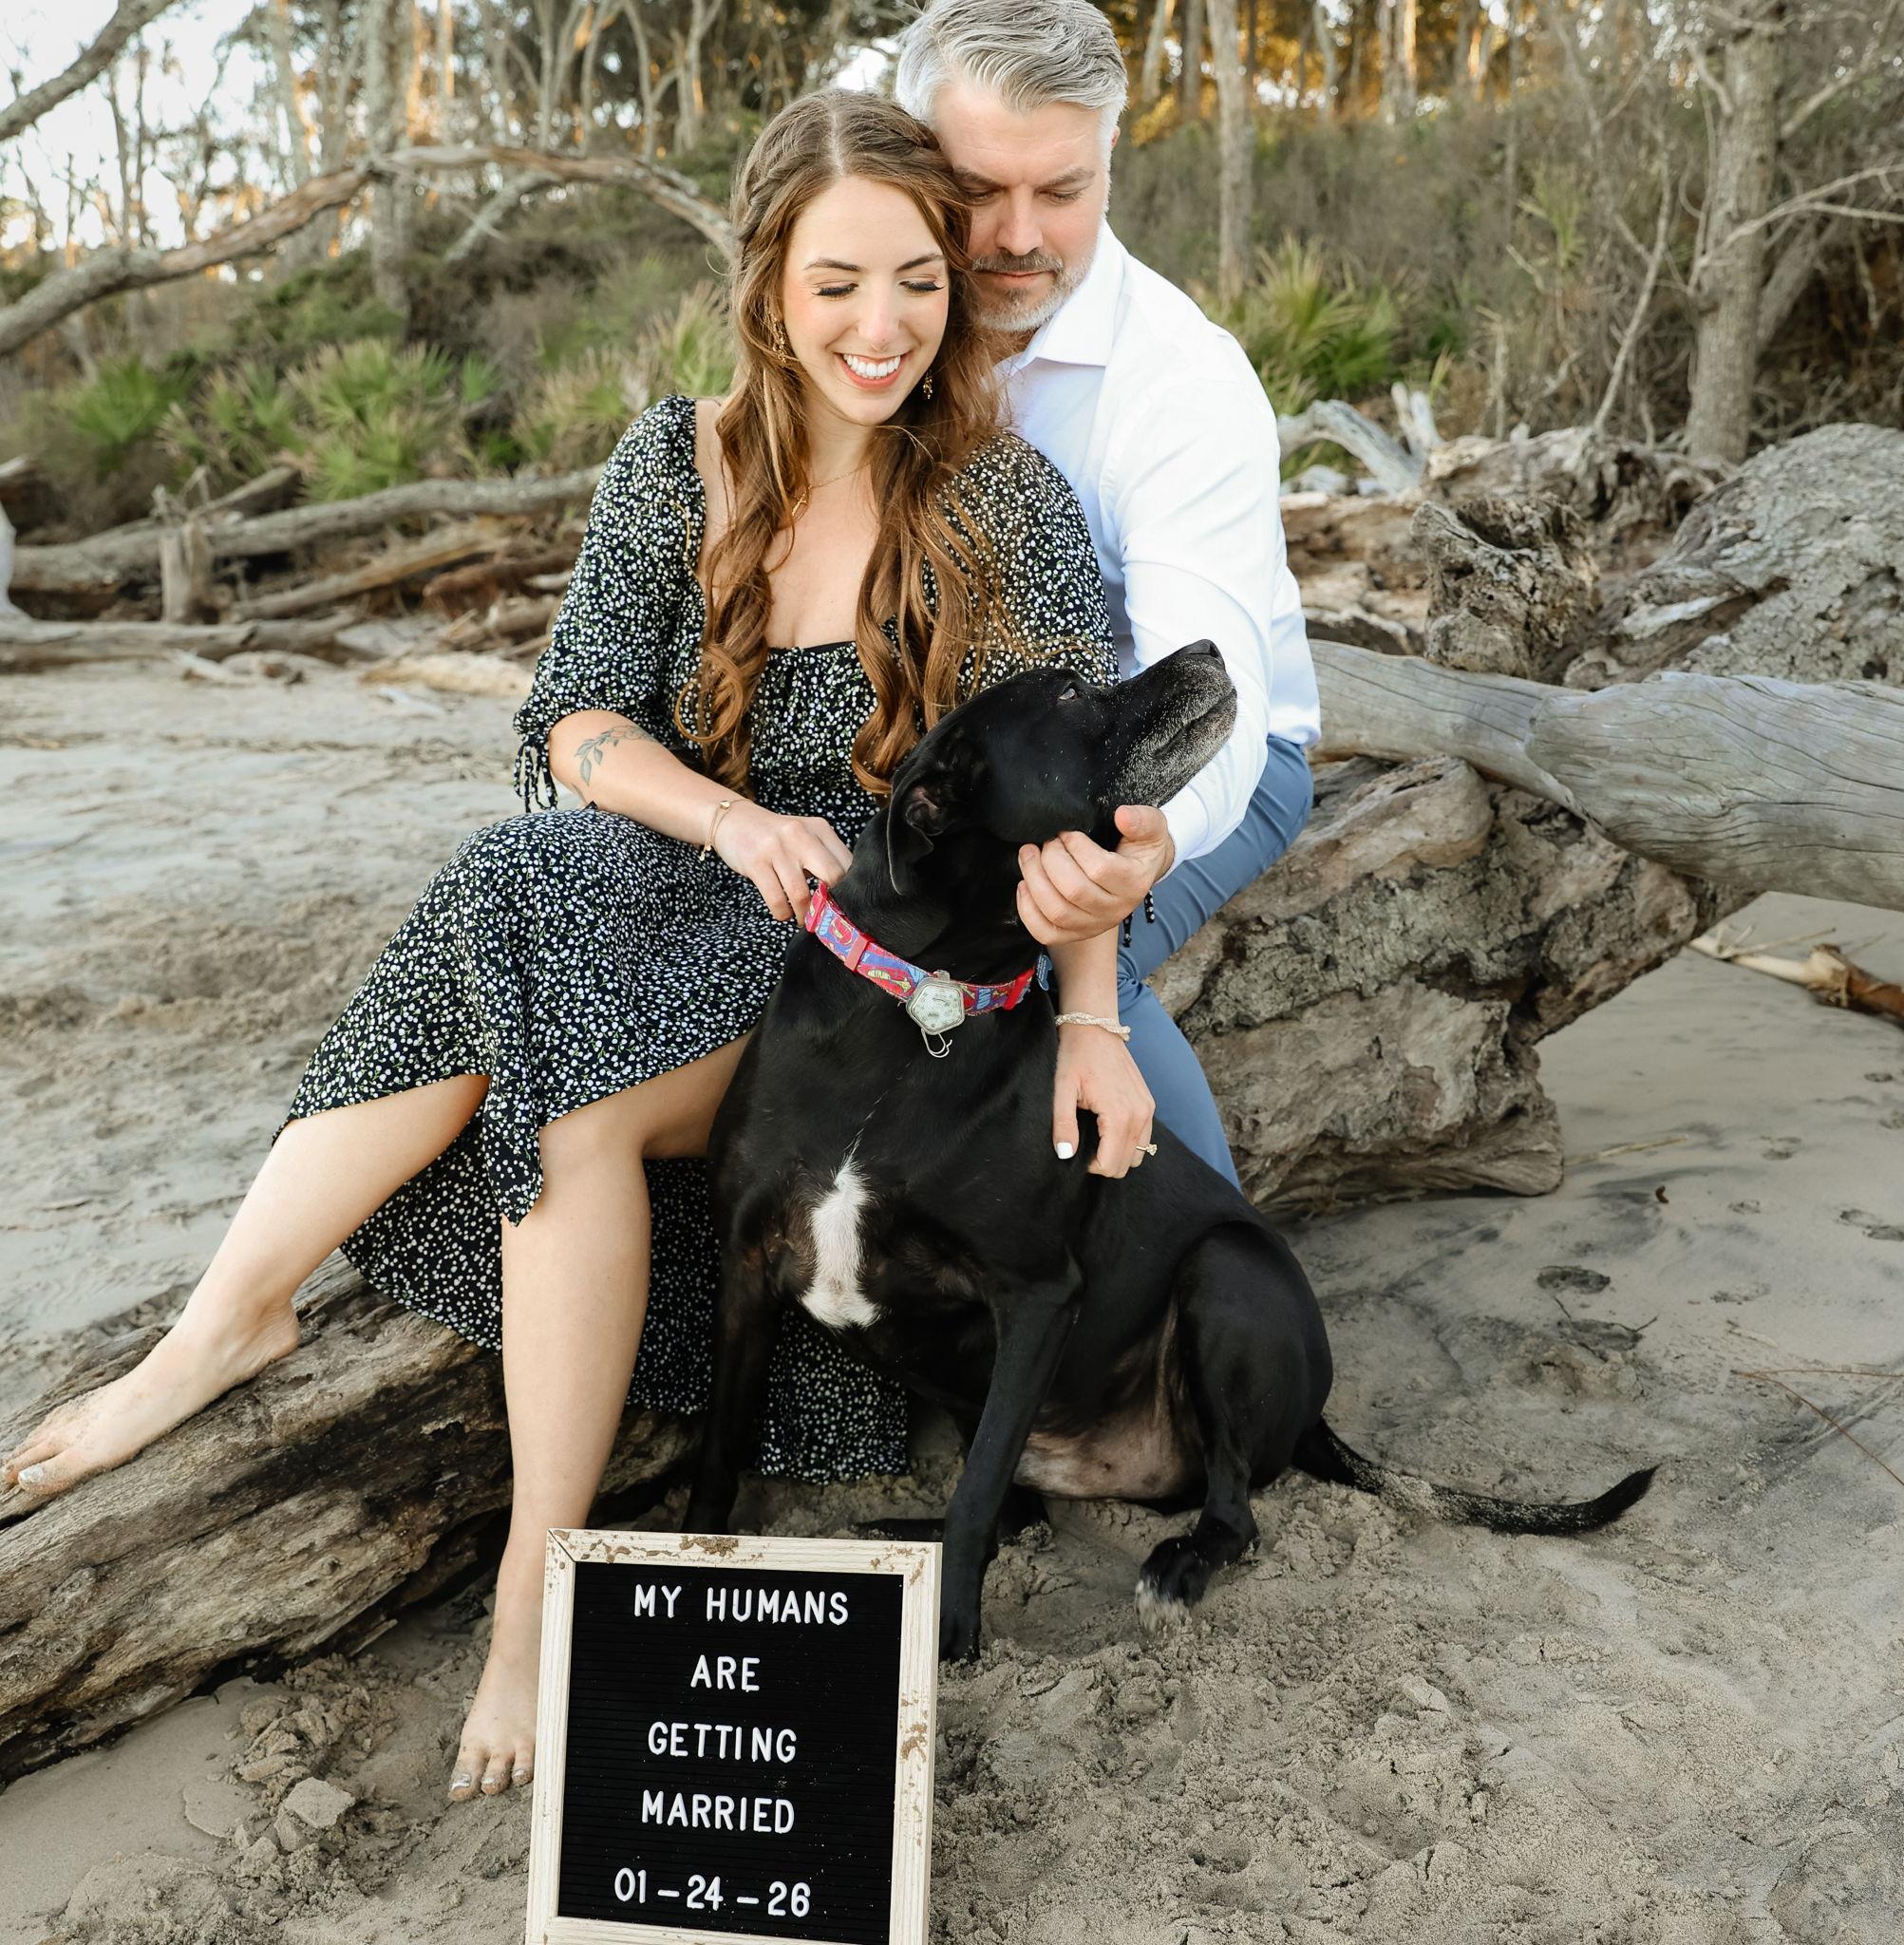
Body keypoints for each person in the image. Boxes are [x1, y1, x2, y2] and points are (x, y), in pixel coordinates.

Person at [0, 89, 1149, 1806]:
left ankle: (521, 1591)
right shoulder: (676, 458)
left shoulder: (1000, 499)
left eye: (917, 281)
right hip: (686, 885)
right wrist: (731, 819)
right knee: (519, 876)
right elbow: (576, 721)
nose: (883, 325)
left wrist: (1094, 1017)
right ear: (766, 286)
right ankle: (219, 1330)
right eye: (836, 283)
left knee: (567, 1090)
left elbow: (1084, 794)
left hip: (867, 977)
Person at [896, 0, 1324, 1185]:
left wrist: (1145, 848)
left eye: (1063, 190)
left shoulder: (1179, 385)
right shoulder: (877, 322)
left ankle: (1205, 1270)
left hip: (1187, 760)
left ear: (1108, 160)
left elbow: (1214, 699)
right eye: (976, 190)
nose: (1018, 236)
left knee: (1032, 963)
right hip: (959, 744)